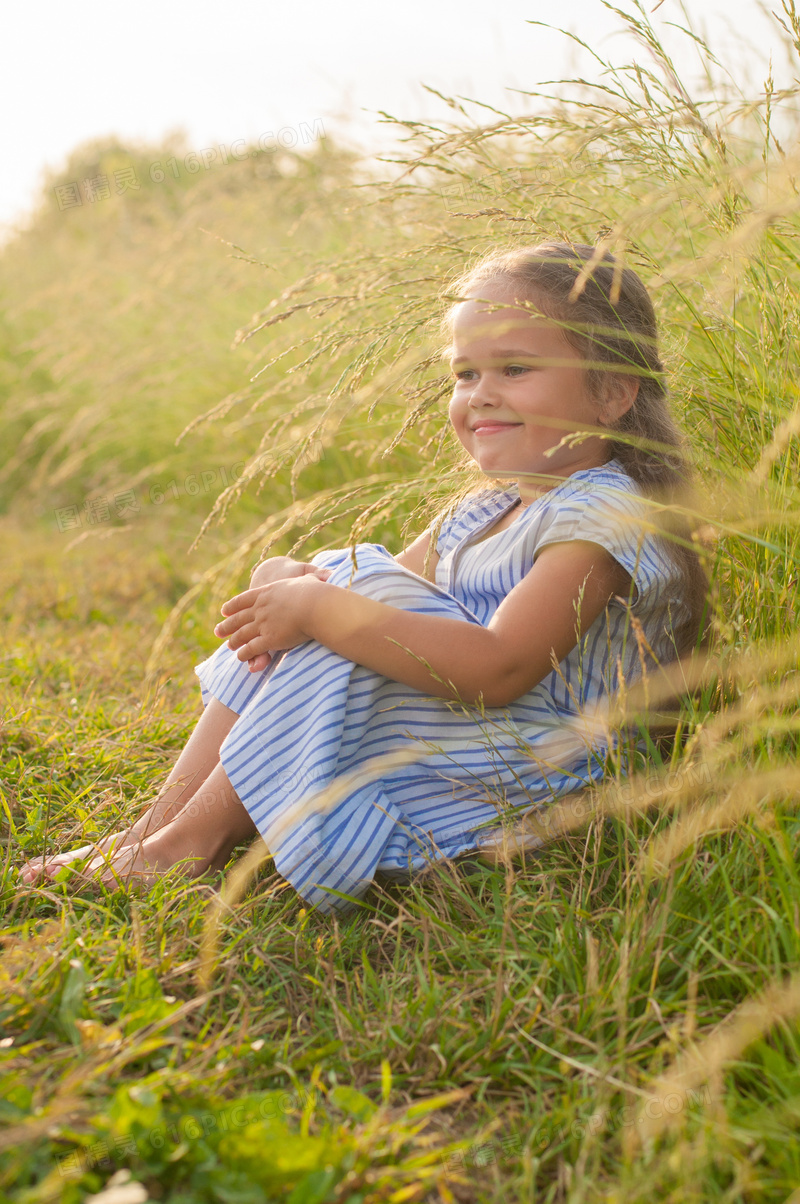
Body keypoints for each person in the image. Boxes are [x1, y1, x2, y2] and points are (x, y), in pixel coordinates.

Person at [20, 241, 708, 910]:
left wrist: (321, 608)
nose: (481, 395)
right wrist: (292, 584)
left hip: (555, 763)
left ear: (613, 392)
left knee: (343, 603)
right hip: (475, 734)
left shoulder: (607, 517)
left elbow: (502, 667)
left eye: (516, 369)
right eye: (465, 374)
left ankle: (191, 842)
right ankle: (156, 829)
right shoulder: (487, 509)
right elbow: (366, 584)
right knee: (338, 586)